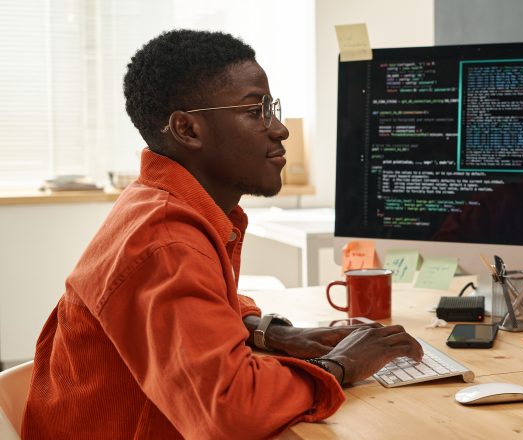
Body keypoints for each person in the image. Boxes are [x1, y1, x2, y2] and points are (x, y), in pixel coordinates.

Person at [22, 29, 422, 439]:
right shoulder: (167, 239)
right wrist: (342, 365)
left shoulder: (161, 204)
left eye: (272, 108)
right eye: (256, 111)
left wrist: (271, 332)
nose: (280, 129)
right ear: (187, 129)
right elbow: (231, 411)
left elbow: (201, 306)